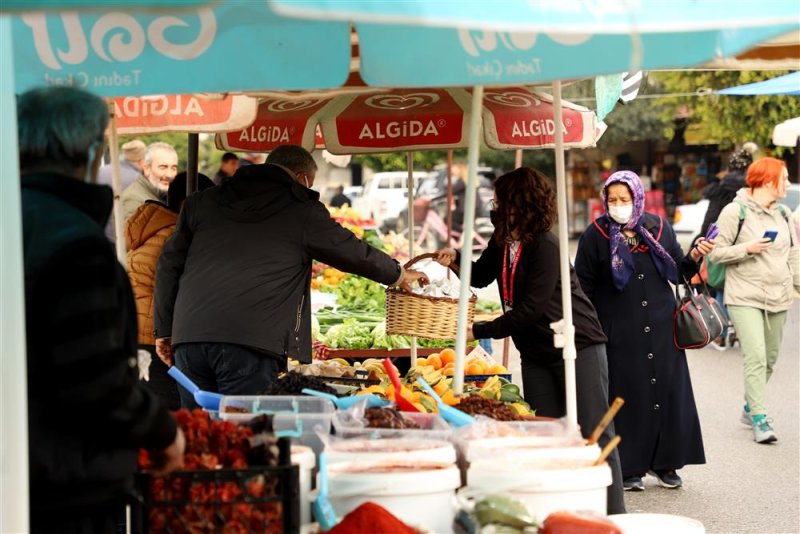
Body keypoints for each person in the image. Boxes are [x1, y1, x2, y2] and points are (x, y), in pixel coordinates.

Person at [18, 86, 184, 533]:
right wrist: (162, 431)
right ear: (91, 152)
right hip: (66, 485)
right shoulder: (74, 242)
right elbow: (93, 376)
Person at [154, 145, 428, 406]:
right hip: (250, 343)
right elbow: (349, 250)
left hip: (189, 338)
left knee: (197, 435)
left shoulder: (202, 202)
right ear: (302, 177)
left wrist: (164, 330)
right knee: (246, 435)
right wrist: (398, 274)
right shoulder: (299, 208)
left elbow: (168, 264)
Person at [435, 167, 626, 514]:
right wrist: (456, 260)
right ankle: (559, 512)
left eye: (501, 200)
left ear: (520, 203)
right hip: (535, 351)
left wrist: (479, 330)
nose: (495, 206)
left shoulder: (545, 245)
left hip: (576, 345)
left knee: (592, 432)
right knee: (545, 436)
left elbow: (532, 308)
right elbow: (479, 276)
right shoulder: (502, 239)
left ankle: (613, 515)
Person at [575, 170, 714, 492]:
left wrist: (693, 256)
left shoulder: (659, 227)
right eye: (612, 200)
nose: (619, 206)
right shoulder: (595, 235)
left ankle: (667, 464)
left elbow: (679, 272)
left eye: (624, 200)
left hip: (663, 328)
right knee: (627, 395)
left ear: (637, 198)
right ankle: (629, 467)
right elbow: (581, 286)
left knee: (667, 392)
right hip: (618, 330)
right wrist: (590, 327)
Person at [707, 157, 799, 444]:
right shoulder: (735, 212)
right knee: (756, 355)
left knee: (770, 359)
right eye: (782, 179)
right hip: (744, 295)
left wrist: (797, 283)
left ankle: (749, 407)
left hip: (779, 295)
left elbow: (793, 254)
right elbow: (716, 253)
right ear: (766, 180)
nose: (786, 183)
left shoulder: (784, 214)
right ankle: (760, 417)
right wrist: (747, 248)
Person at [126, 172, 215, 410]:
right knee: (169, 413)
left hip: (133, 333)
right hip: (153, 339)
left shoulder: (154, 229)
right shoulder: (176, 237)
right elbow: (171, 294)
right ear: (189, 204)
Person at [698, 143, 756, 351]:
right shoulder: (750, 187)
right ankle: (744, 331)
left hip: (717, 239)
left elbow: (710, 217)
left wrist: (703, 239)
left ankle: (721, 333)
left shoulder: (721, 186)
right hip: (744, 242)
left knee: (720, 286)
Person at [98, 139, 146, 240]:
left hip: (100, 233)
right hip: (121, 238)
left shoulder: (101, 171)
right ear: (142, 160)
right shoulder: (138, 179)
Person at [121, 141, 179, 221]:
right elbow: (130, 233)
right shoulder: (133, 199)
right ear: (147, 168)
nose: (169, 174)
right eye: (163, 167)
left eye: (174, 168)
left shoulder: (162, 194)